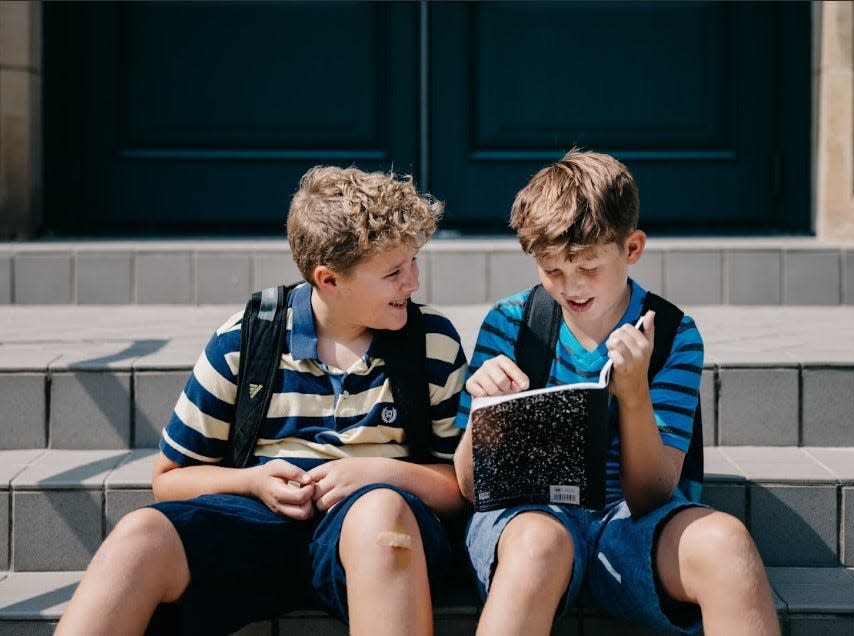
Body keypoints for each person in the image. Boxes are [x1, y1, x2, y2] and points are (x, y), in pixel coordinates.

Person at [56, 166, 468, 636]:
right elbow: (169, 480)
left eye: (414, 262)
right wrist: (252, 482)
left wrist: (377, 473)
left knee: (382, 517)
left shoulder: (430, 342)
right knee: (137, 537)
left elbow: (460, 487)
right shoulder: (246, 340)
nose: (413, 282)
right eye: (394, 272)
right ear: (329, 280)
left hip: (383, 538)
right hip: (258, 524)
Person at [453, 150, 779, 635]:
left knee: (726, 542)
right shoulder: (512, 323)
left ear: (632, 249)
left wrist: (633, 395)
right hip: (529, 521)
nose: (571, 287)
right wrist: (484, 412)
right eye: (552, 270)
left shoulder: (670, 333)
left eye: (587, 268)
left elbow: (652, 493)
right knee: (539, 544)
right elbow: (465, 485)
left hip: (630, 523)